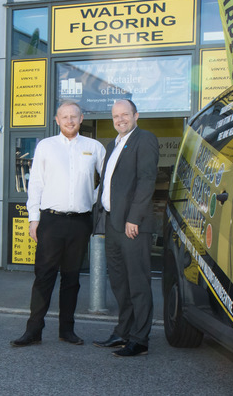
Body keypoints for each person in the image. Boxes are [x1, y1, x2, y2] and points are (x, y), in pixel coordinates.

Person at [10, 100, 105, 347]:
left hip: (80, 222)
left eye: (74, 116)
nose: (70, 121)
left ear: (81, 118)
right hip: (51, 221)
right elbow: (36, 184)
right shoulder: (46, 146)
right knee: (44, 277)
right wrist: (34, 219)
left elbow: (109, 178)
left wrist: (92, 197)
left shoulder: (93, 147)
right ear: (57, 120)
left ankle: (67, 330)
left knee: (72, 279)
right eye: (65, 117)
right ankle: (33, 331)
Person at [92, 99, 159, 357]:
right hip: (112, 222)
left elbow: (146, 181)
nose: (120, 119)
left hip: (132, 225)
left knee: (138, 282)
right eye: (116, 116)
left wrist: (134, 218)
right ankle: (123, 332)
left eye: (125, 115)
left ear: (136, 115)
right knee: (119, 282)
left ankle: (140, 339)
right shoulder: (113, 144)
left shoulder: (145, 139)